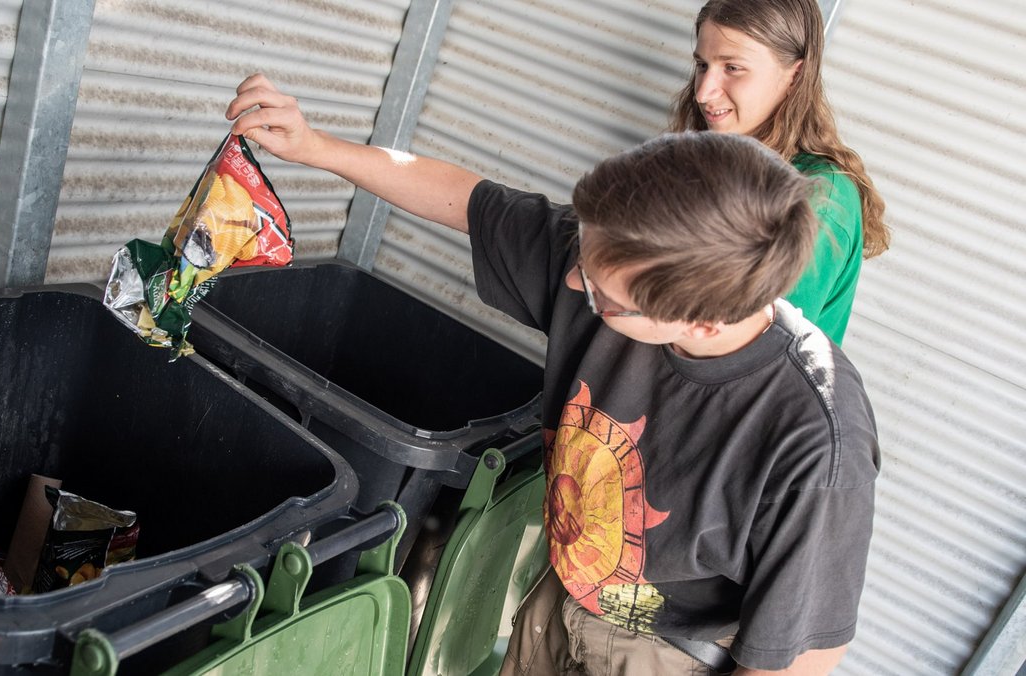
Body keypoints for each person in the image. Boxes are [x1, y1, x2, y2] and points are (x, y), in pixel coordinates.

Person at [226, 74, 879, 675]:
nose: (571, 284)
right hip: (563, 598)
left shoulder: (818, 440)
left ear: (702, 321)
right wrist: (316, 147)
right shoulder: (616, 255)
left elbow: (802, 658)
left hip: (669, 654)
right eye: (582, 257)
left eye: (602, 295)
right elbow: (464, 199)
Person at [670, 0, 890, 345]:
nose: (703, 92)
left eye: (732, 67)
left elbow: (743, 348)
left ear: (795, 75)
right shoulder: (711, 159)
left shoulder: (819, 198)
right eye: (702, 64)